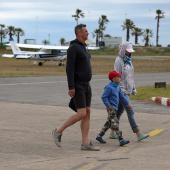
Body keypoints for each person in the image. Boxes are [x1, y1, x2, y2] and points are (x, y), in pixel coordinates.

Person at [52, 24, 100, 151]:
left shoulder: (84, 47)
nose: (88, 33)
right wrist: (71, 86)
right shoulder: (73, 48)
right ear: (79, 33)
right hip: (78, 85)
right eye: (86, 31)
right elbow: (69, 68)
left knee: (87, 113)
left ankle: (85, 143)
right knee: (81, 113)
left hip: (86, 85)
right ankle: (58, 131)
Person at [109, 42, 149, 141]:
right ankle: (138, 133)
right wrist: (117, 91)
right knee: (130, 111)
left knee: (118, 112)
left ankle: (111, 132)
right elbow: (116, 76)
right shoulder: (119, 61)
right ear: (123, 50)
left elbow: (130, 76)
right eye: (128, 51)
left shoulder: (129, 61)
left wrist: (133, 88)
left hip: (127, 90)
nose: (129, 53)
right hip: (121, 90)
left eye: (130, 52)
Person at [96, 70, 130, 146]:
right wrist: (108, 105)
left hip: (115, 108)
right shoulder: (109, 87)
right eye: (118, 77)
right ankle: (121, 139)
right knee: (115, 123)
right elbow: (104, 97)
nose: (120, 78)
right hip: (110, 108)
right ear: (114, 79)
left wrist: (127, 103)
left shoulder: (117, 87)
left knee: (108, 123)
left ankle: (99, 136)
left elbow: (122, 96)